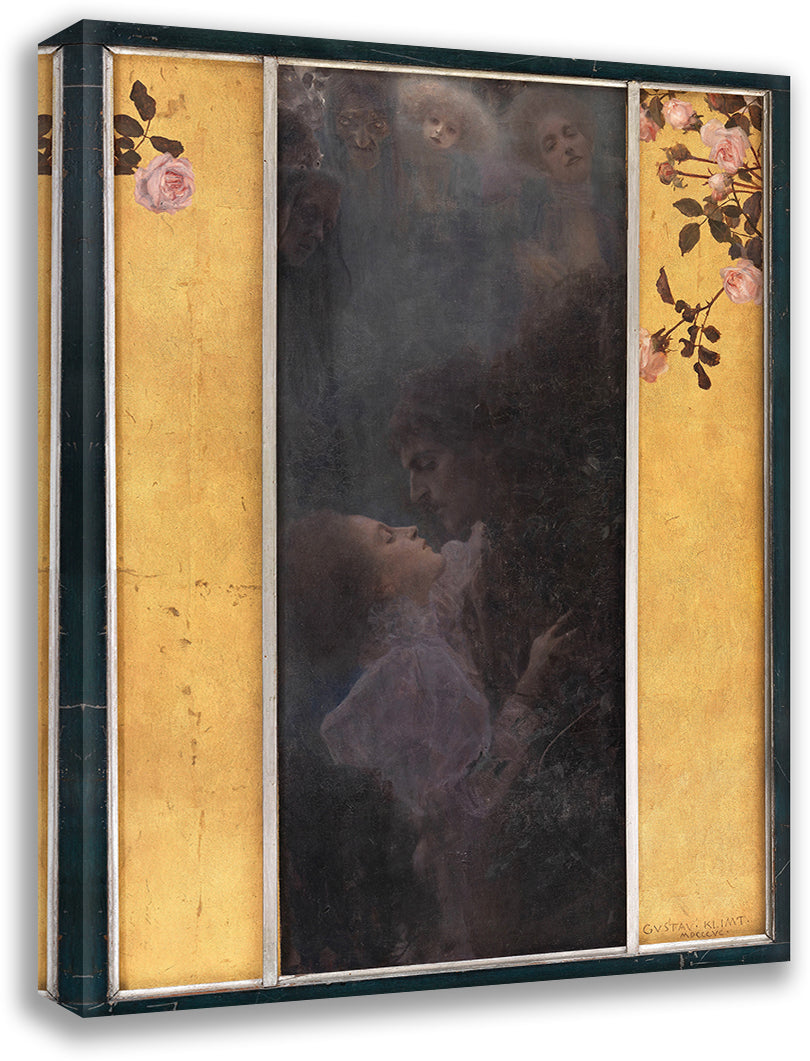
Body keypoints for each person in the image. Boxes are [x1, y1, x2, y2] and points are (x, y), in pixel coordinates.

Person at [282, 509, 575, 966]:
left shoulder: (416, 628)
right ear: (382, 586)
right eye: (388, 538)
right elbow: (471, 801)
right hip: (464, 881)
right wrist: (529, 690)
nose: (409, 529)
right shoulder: (408, 681)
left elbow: (449, 588)